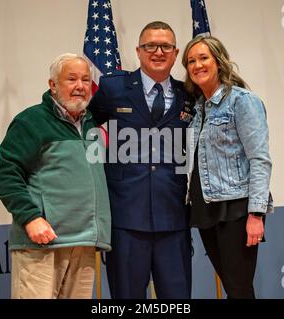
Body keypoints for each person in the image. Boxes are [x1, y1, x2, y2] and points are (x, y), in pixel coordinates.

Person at [0, 53, 111, 299]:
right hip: (42, 246)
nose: (80, 86)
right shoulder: (31, 121)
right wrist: (30, 218)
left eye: (85, 80)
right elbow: (6, 175)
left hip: (85, 243)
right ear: (53, 85)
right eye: (71, 79)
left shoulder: (91, 124)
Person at [88, 21, 192, 299]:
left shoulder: (189, 94)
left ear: (175, 51)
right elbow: (83, 127)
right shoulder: (112, 88)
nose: (158, 52)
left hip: (173, 218)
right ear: (138, 50)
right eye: (150, 46)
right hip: (126, 219)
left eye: (166, 46)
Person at [182, 35, 273, 299]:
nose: (197, 65)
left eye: (203, 58)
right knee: (234, 289)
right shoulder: (198, 109)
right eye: (191, 61)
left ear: (218, 61)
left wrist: (256, 213)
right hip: (205, 207)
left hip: (236, 208)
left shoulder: (242, 101)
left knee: (239, 289)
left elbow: (259, 158)